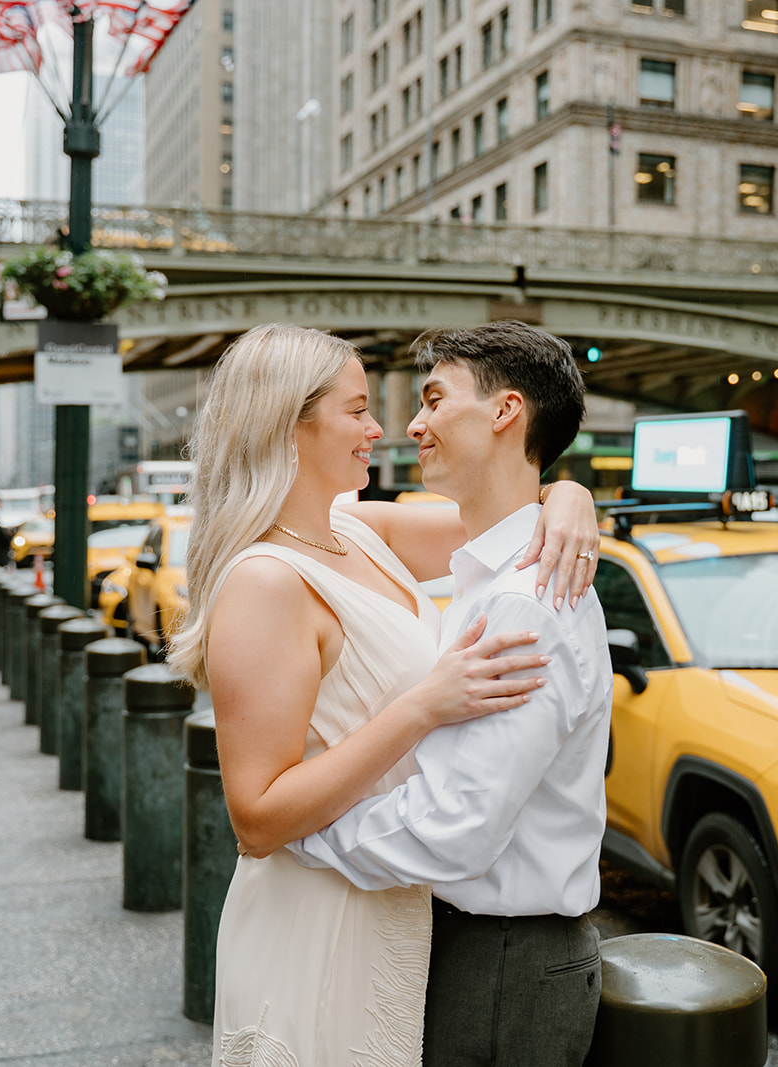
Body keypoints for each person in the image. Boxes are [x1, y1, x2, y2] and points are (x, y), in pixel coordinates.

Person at [171, 323, 601, 1067]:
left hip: (394, 901)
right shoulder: (268, 578)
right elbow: (257, 816)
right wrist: (422, 706)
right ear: (289, 423)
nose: (385, 427)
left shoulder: (354, 530)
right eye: (357, 409)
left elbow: (505, 520)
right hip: (321, 906)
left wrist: (570, 492)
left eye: (414, 401)